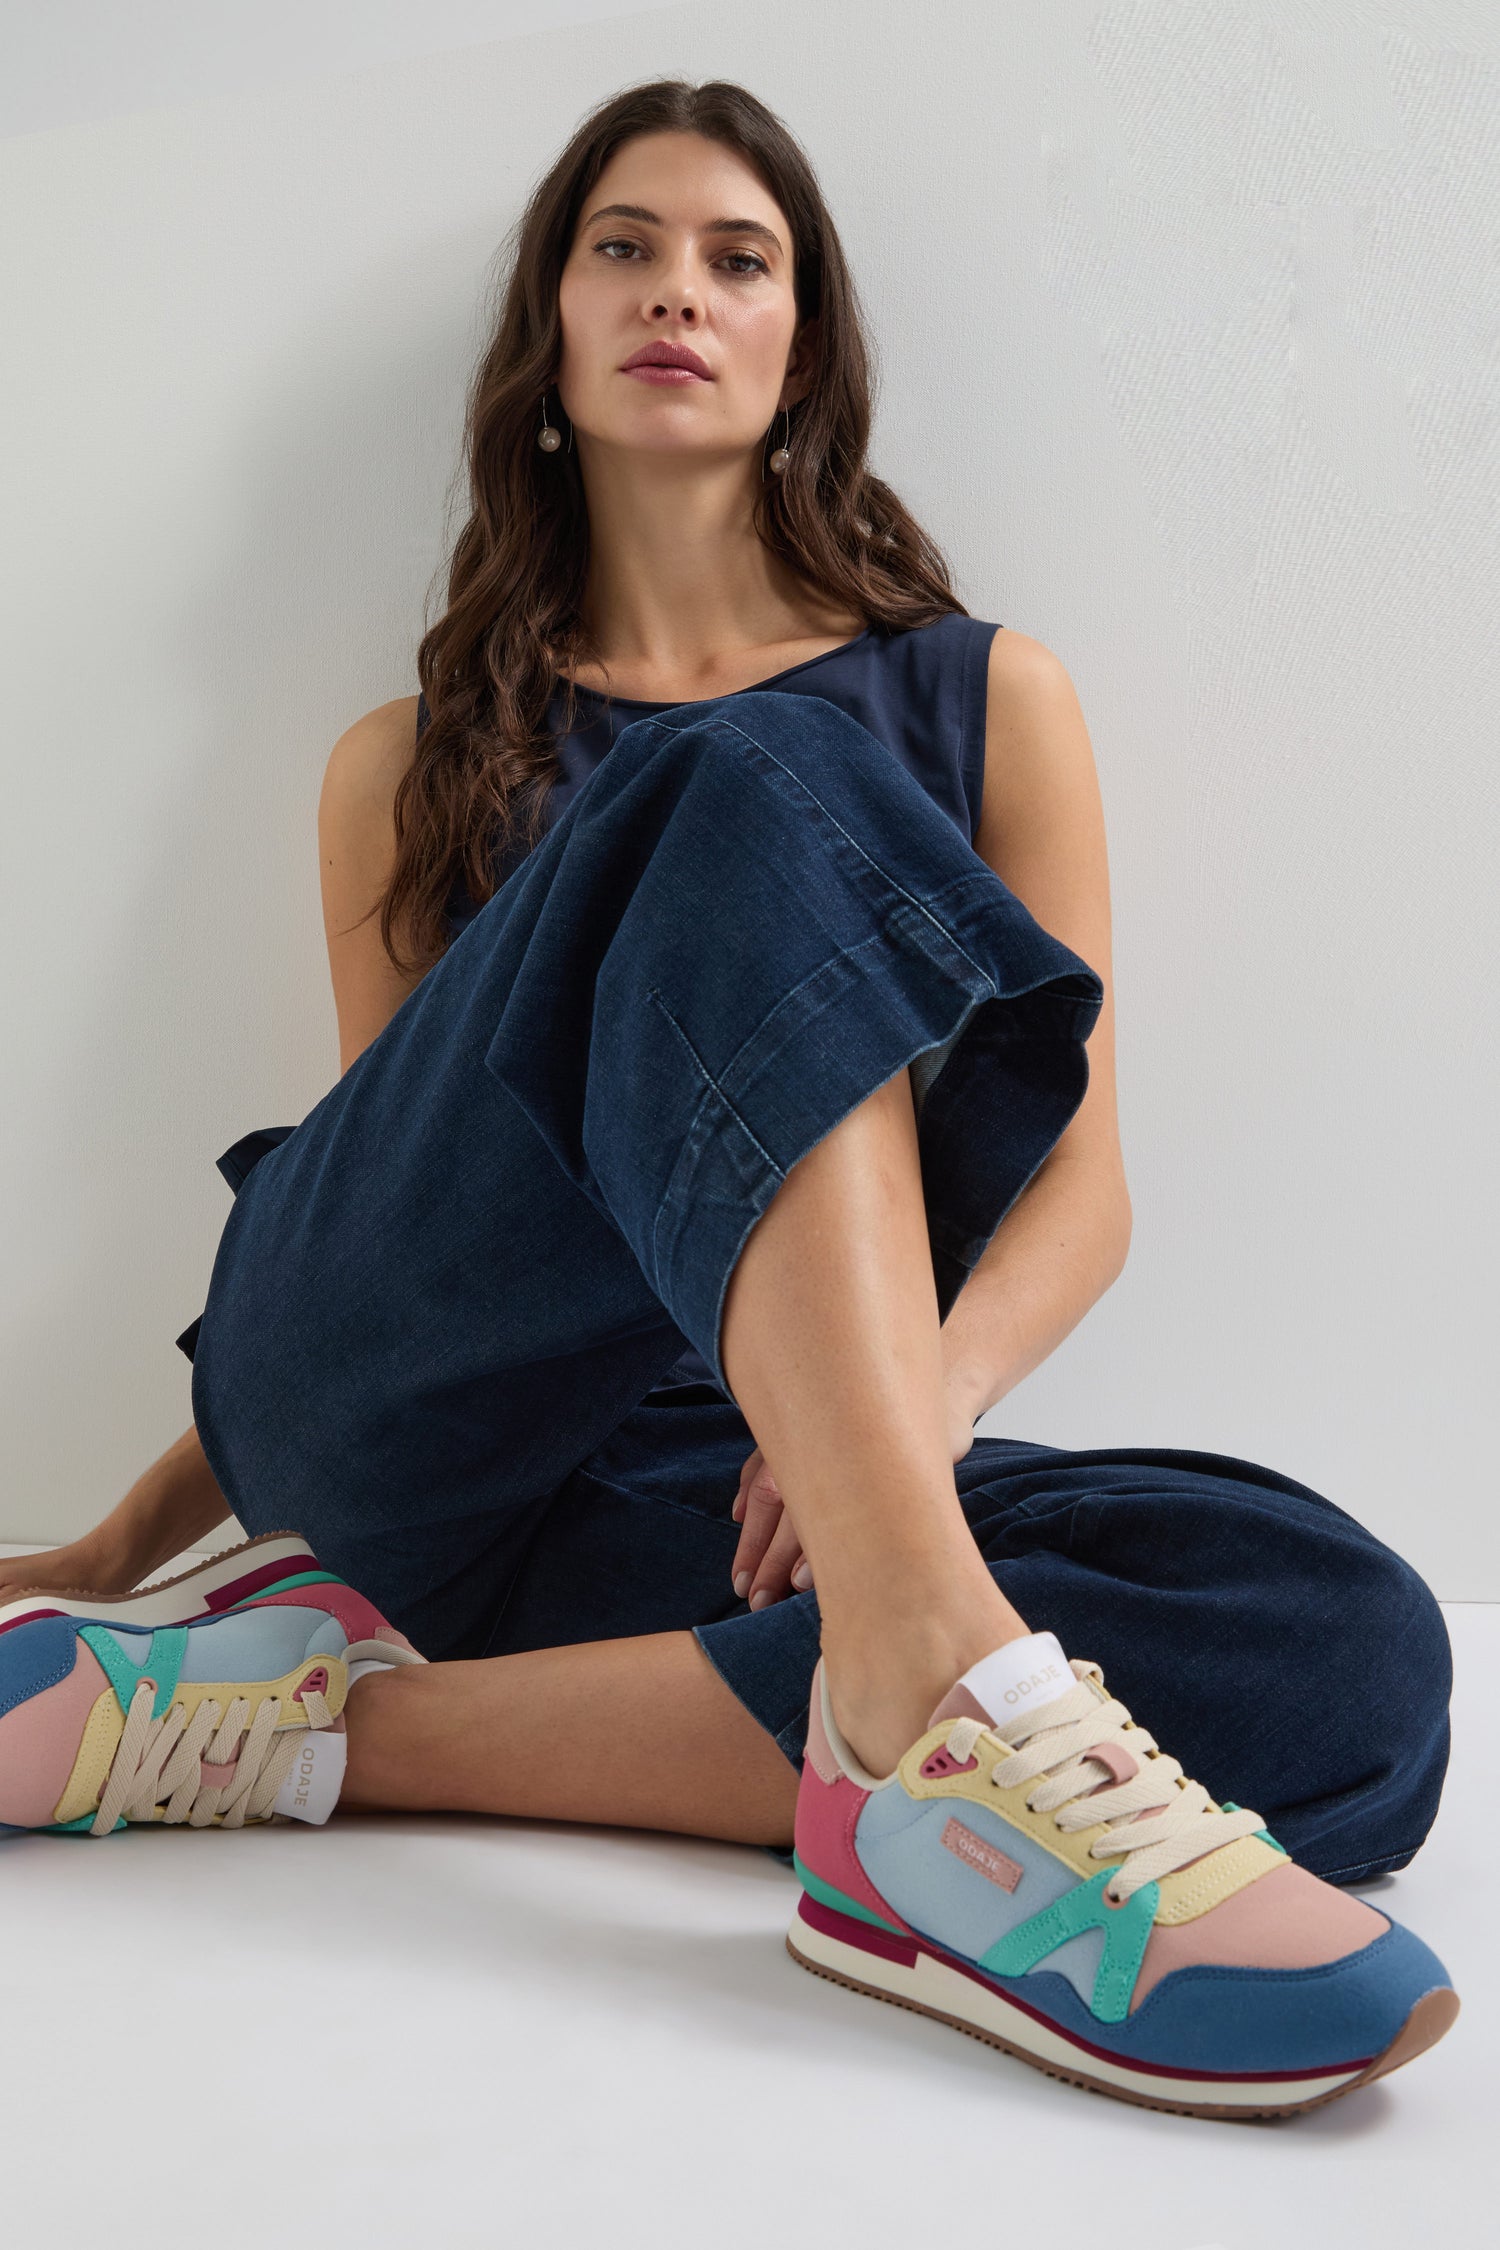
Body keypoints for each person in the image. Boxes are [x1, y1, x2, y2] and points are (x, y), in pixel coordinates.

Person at [0, 79, 1458, 2116]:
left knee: (1346, 1655)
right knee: (750, 781)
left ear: (800, 357)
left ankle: (288, 1728)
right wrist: (105, 1543)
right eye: (624, 245)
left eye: (737, 257)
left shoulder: (985, 699)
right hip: (443, 1441)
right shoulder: (395, 764)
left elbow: (1086, 1185)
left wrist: (899, 1442)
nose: (677, 287)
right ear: (550, 340)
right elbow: (391, 1240)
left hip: (751, 1496)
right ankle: (912, 1715)